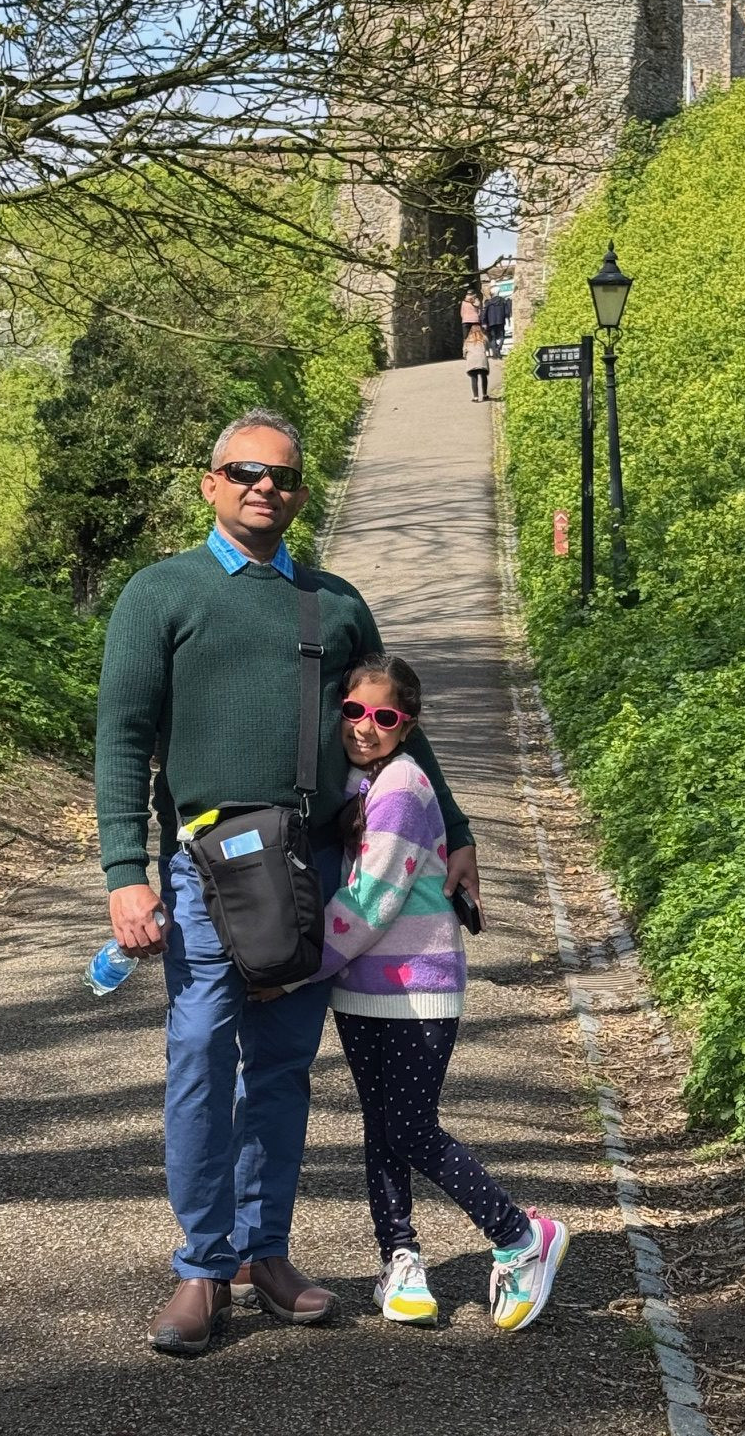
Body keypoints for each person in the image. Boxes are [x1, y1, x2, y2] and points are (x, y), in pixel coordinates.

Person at [95, 408, 480, 1357]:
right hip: (204, 870)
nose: (264, 486)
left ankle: (264, 1252)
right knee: (199, 1055)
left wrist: (457, 829)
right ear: (210, 484)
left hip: (311, 868)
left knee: (280, 1068)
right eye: (244, 472)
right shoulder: (160, 592)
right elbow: (123, 737)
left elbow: (396, 723)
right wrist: (124, 873)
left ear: (301, 494)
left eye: (282, 476)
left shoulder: (334, 603)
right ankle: (202, 1264)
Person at [312, 651, 570, 1331]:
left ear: (408, 725)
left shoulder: (402, 785)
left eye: (383, 717)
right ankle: (399, 1258)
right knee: (381, 1127)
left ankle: (520, 1234)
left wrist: (299, 967)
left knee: (411, 1128)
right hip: (361, 987)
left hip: (416, 987)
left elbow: (372, 898)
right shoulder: (354, 781)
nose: (364, 726)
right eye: (354, 711)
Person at [464, 322, 491, 402]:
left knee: (474, 378)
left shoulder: (467, 340)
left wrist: (466, 356)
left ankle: (475, 397)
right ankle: (485, 395)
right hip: (482, 360)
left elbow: (464, 351)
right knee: (484, 377)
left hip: (472, 360)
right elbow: (488, 348)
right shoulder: (484, 338)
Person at [482, 284, 511, 358]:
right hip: (501, 321)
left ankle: (495, 354)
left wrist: (484, 322)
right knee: (502, 336)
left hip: (491, 322)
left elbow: (485, 313)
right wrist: (507, 318)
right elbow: (507, 312)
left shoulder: (489, 302)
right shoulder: (503, 301)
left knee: (493, 337)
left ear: (492, 293)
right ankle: (498, 349)